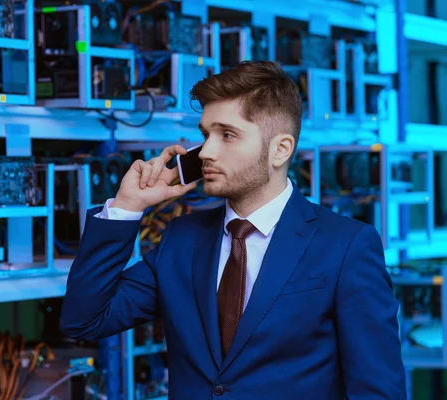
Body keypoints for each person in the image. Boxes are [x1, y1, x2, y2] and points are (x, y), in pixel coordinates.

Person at [60, 61, 407, 399]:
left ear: (280, 149)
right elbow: (85, 321)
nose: (207, 151)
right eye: (205, 135)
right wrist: (127, 207)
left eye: (227, 135)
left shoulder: (345, 247)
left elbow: (378, 389)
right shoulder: (181, 239)